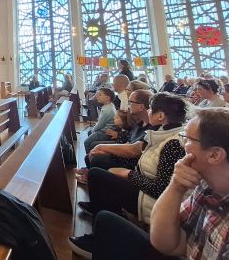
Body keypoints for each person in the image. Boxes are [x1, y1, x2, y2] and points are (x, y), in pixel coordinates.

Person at [69, 93, 187, 258]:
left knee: (99, 175)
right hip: (145, 190)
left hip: (153, 201)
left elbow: (161, 190)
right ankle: (106, 222)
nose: (149, 111)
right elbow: (137, 149)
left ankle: (102, 238)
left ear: (161, 116)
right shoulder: (163, 133)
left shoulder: (173, 143)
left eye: (151, 109)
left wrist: (127, 174)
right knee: (100, 176)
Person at [149, 108, 229, 259]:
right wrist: (175, 187)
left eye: (187, 139)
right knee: (109, 222)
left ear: (214, 155)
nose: (183, 145)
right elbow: (171, 245)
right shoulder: (208, 184)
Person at [84, 88, 117, 153]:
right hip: (104, 130)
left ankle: (90, 157)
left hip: (106, 133)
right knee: (89, 133)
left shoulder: (107, 110)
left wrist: (93, 131)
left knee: (86, 142)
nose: (97, 96)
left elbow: (100, 125)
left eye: (99, 95)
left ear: (107, 98)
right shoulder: (108, 105)